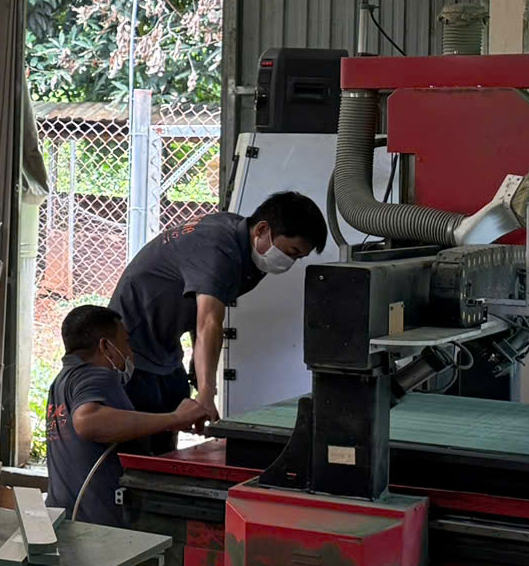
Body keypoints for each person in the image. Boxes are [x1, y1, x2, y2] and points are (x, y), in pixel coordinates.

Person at [107, 188, 327, 448]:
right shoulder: (219, 247)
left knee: (170, 424)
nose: (290, 262)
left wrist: (200, 375)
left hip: (165, 348)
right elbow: (209, 321)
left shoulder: (248, 253)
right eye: (291, 252)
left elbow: (198, 308)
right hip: (127, 347)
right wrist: (207, 393)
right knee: (138, 446)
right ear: (262, 229)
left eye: (298, 258)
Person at [44, 304, 218, 525]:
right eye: (126, 342)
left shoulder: (61, 382)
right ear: (106, 347)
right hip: (98, 526)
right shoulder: (97, 376)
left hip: (65, 516)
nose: (130, 352)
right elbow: (87, 421)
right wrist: (175, 418)